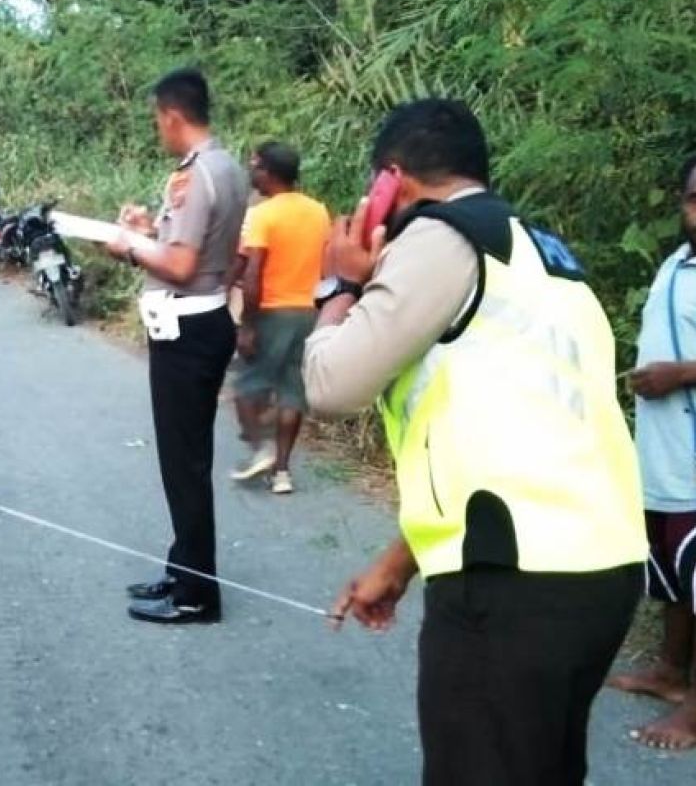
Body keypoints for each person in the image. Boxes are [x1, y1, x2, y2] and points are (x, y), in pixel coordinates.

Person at [303, 98, 647, 784]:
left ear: (388, 182)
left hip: (512, 587)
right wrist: (401, 564)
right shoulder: (544, 257)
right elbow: (518, 437)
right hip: (599, 571)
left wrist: (340, 284)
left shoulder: (440, 239)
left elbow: (330, 385)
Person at [105, 68, 248, 624]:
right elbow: (207, 247)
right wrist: (150, 229)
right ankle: (183, 569)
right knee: (186, 460)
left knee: (183, 465)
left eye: (157, 120)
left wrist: (130, 247)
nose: (158, 130)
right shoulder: (228, 167)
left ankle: (196, 594)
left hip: (186, 331)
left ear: (172, 116)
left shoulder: (194, 177)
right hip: (204, 322)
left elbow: (183, 265)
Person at [606, 154, 696, 752]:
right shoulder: (675, 265)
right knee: (673, 579)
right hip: (663, 457)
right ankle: (669, 671)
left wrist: (682, 373)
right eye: (694, 197)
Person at [224, 142, 330, 494]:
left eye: (255, 166)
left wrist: (248, 324)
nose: (251, 172)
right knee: (290, 393)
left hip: (272, 312)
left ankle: (261, 448)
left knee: (244, 388)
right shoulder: (318, 212)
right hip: (309, 312)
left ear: (268, 172)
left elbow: (253, 274)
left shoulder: (263, 215)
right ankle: (281, 473)